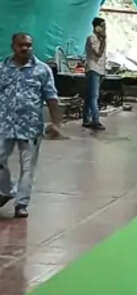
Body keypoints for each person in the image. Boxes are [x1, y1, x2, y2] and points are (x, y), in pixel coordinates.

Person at [1, 33, 62, 219]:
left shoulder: (42, 70)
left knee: (27, 168)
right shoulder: (2, 68)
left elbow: (51, 97)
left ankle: (21, 204)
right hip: (4, 125)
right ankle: (7, 189)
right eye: (21, 45)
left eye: (28, 45)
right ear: (13, 46)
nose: (25, 48)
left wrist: (56, 122)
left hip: (31, 127)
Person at [83, 17, 107, 130]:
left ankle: (85, 120)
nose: (104, 28)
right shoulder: (91, 38)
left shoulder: (101, 39)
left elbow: (102, 57)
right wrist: (103, 40)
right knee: (94, 96)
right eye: (102, 26)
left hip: (99, 69)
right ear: (96, 27)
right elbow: (97, 54)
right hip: (92, 69)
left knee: (89, 96)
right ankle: (95, 120)